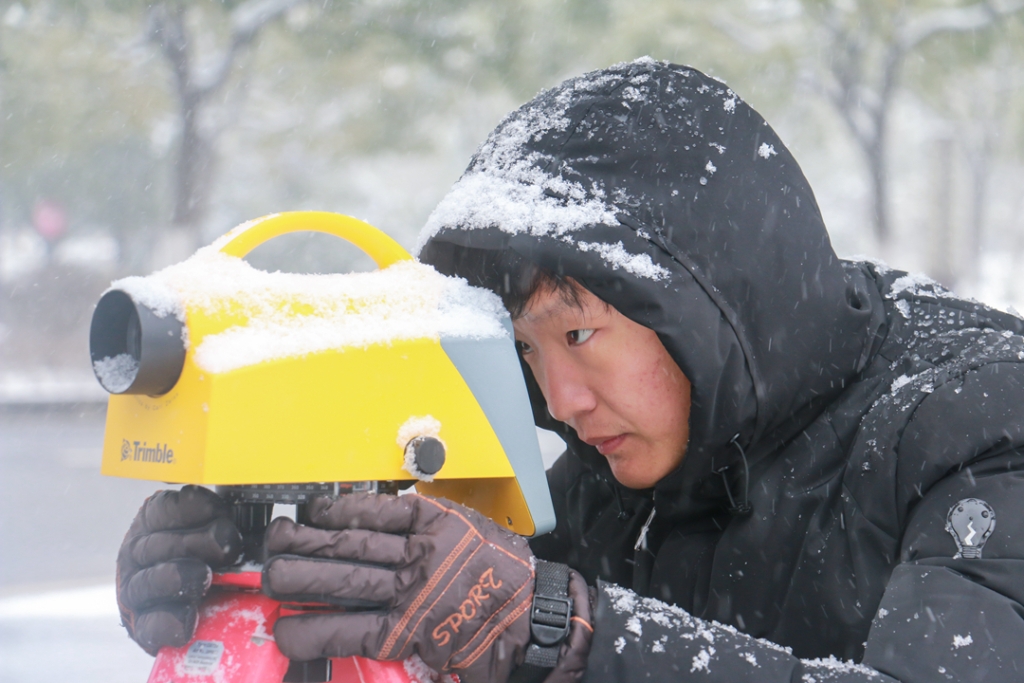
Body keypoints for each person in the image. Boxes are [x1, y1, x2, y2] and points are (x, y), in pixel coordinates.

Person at [115, 59, 1024, 682]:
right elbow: (466, 622)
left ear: (709, 303)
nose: (559, 400)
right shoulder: (619, 469)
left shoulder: (984, 426)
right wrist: (257, 584)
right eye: (525, 348)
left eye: (579, 334)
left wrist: (565, 630)